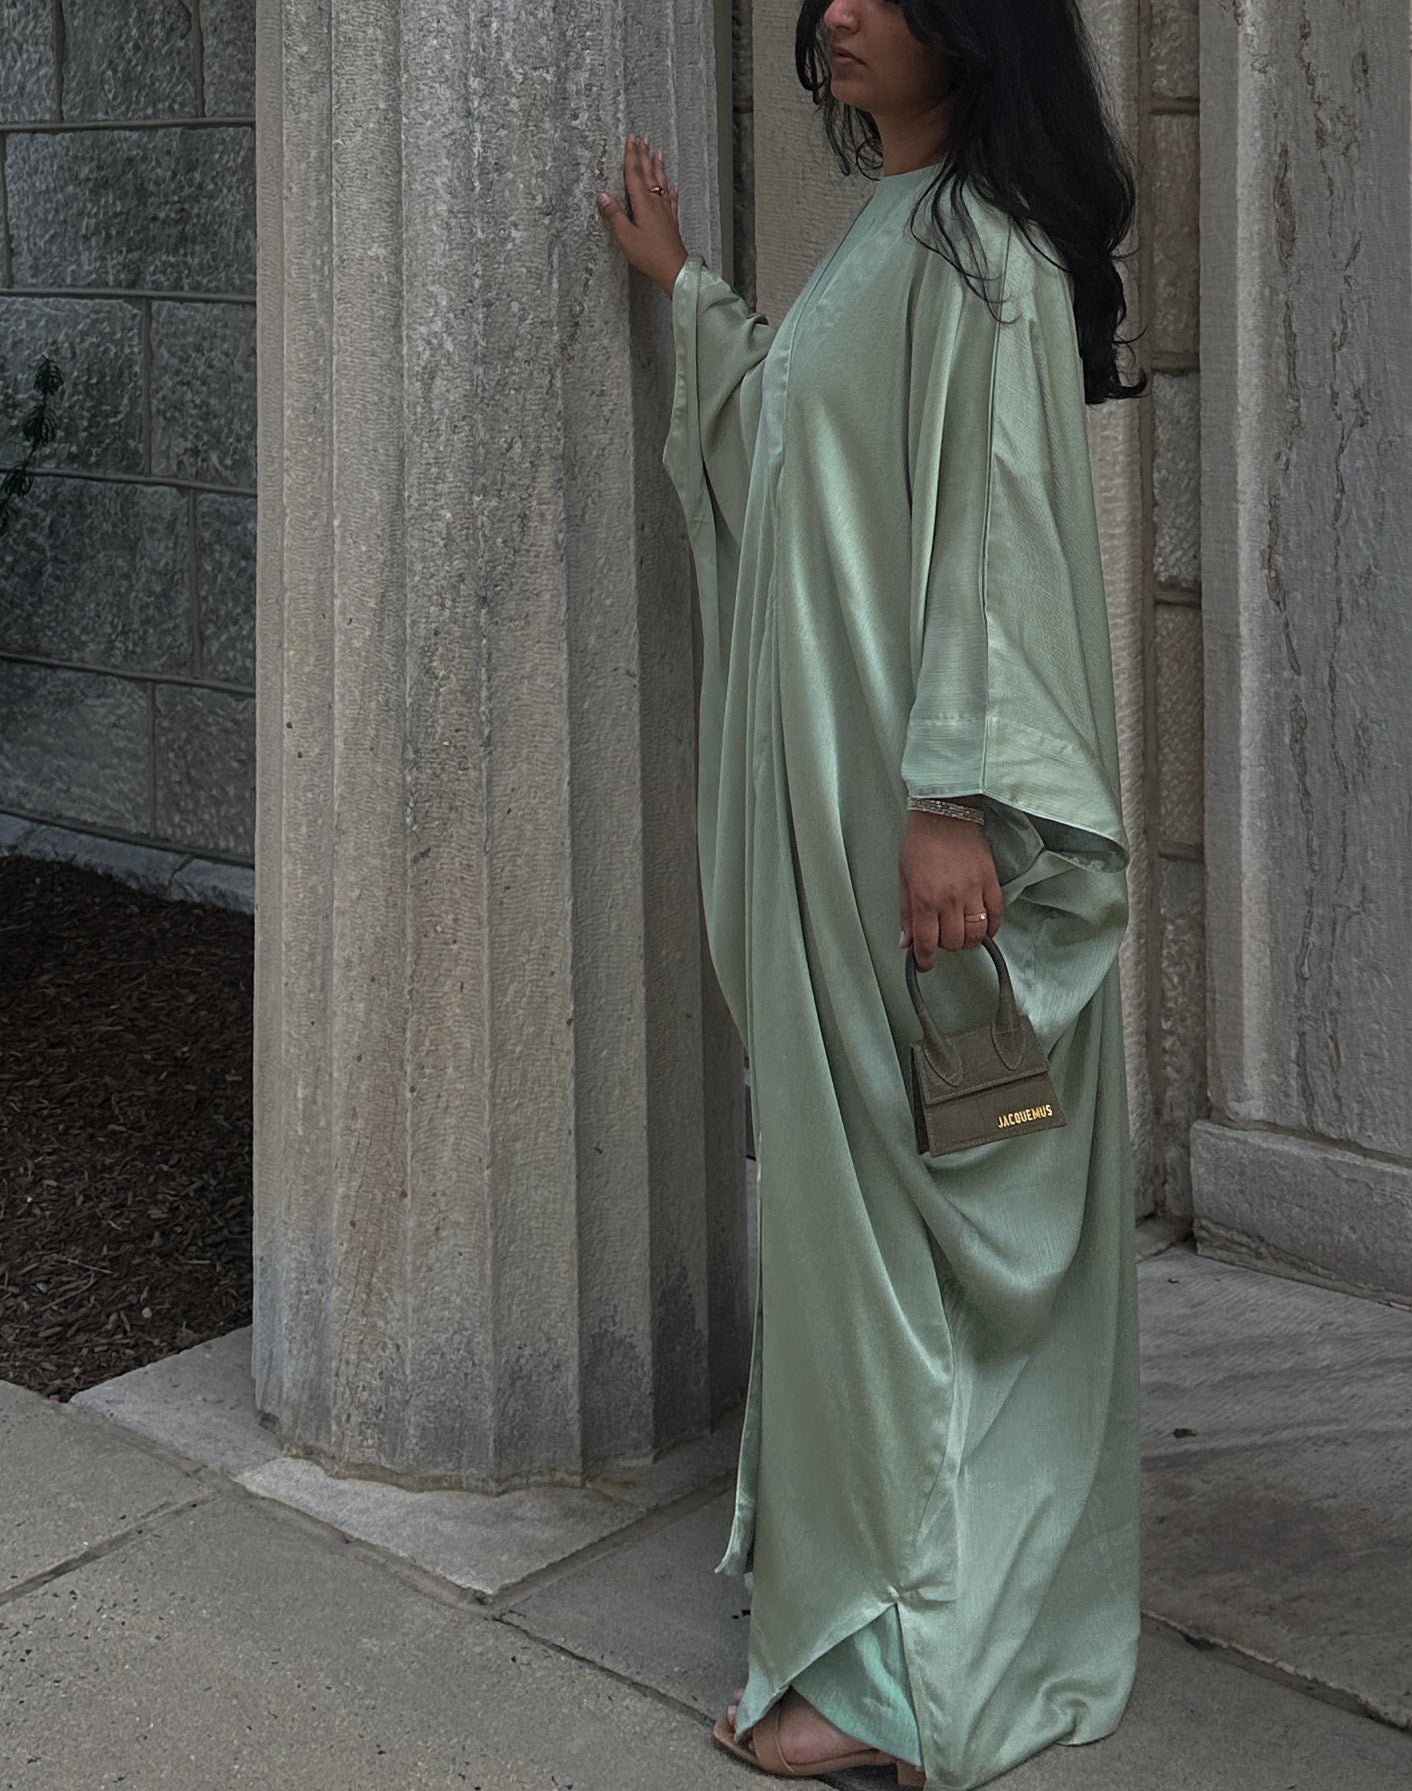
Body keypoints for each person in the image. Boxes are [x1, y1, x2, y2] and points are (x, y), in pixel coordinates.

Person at [595, 1, 1147, 1784]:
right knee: (857, 1224)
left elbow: (994, 541)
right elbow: (796, 470)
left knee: (912, 1229)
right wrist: (690, 294)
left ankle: (902, 1681)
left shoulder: (984, 258)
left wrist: (955, 804)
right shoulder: (891, 239)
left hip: (918, 851)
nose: (837, 9)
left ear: (975, 30)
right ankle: (871, 1638)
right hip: (852, 841)